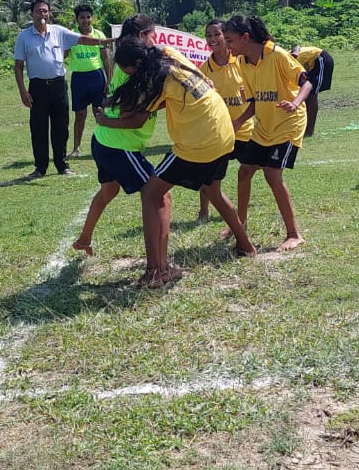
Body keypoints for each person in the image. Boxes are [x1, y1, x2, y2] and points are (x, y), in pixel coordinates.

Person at [98, 30, 257, 288]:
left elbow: (136, 119)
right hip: (224, 132)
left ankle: (155, 272)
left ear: (137, 64)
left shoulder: (155, 78)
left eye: (127, 71)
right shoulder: (168, 54)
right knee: (213, 190)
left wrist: (106, 120)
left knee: (151, 193)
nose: (128, 75)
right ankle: (245, 245)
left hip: (199, 143)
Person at [72, 15, 161, 256]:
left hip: (103, 139)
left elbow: (115, 100)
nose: (156, 39)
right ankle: (158, 262)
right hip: (118, 143)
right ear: (143, 36)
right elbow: (130, 111)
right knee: (159, 193)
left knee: (109, 191)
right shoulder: (135, 67)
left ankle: (84, 238)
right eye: (152, 34)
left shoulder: (127, 61)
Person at [222, 15, 310, 252]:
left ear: (245, 37)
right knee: (244, 172)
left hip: (288, 124)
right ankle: (240, 224)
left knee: (272, 175)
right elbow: (254, 100)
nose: (227, 45)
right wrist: (239, 121)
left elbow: (306, 83)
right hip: (264, 128)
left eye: (230, 40)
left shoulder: (277, 55)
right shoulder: (242, 62)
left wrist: (295, 102)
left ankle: (293, 234)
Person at [12, 0, 113, 179]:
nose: (42, 14)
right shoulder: (24, 37)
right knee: (39, 128)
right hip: (37, 87)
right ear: (32, 14)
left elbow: (82, 39)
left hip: (58, 85)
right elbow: (18, 66)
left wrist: (103, 41)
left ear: (49, 14)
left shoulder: (58, 32)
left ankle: (62, 164)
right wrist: (23, 91)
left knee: (61, 126)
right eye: (38, 11)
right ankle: (40, 168)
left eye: (45, 11)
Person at [197, 19, 252, 224]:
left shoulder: (241, 60)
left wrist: (250, 91)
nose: (212, 39)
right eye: (209, 35)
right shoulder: (204, 69)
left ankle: (242, 213)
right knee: (209, 175)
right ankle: (204, 211)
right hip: (218, 132)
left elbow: (255, 85)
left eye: (216, 34)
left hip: (244, 128)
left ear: (226, 36)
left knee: (254, 169)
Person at [65, 4, 111, 158]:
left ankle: (105, 146)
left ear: (92, 18)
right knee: (80, 114)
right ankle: (76, 148)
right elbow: (63, 54)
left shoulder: (99, 35)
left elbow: (105, 58)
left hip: (97, 77)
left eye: (88, 17)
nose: (85, 20)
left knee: (99, 112)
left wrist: (109, 80)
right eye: (82, 17)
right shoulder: (71, 36)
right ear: (77, 19)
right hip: (79, 78)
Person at [290, 44, 333, 138]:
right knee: (303, 95)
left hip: (319, 58)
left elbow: (296, 46)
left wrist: (295, 53)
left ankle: (309, 131)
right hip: (309, 66)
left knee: (311, 94)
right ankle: (303, 128)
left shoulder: (283, 60)